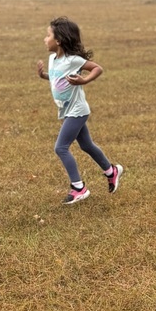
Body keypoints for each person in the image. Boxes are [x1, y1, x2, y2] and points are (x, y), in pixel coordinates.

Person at [36, 16, 123, 204]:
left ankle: (78, 187)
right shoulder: (52, 59)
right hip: (67, 110)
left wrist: (84, 80)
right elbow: (56, 78)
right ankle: (111, 171)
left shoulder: (73, 60)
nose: (44, 38)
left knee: (60, 148)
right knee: (86, 145)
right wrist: (43, 75)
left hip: (78, 110)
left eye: (47, 35)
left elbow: (97, 68)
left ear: (58, 40)